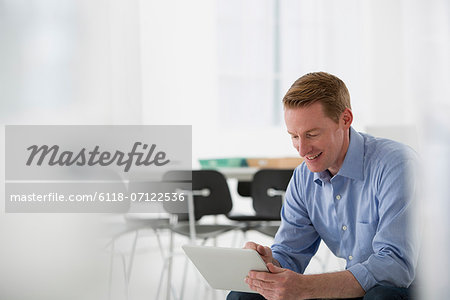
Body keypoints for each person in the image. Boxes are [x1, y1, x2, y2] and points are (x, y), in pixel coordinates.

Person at [227, 72, 420, 300]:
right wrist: (268, 265)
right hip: (354, 287)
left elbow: (395, 267)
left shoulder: (396, 165)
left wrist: (306, 287)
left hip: (408, 287)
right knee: (245, 296)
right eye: (294, 136)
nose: (301, 150)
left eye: (312, 134)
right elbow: (289, 252)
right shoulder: (303, 177)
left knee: (382, 297)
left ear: (345, 119)